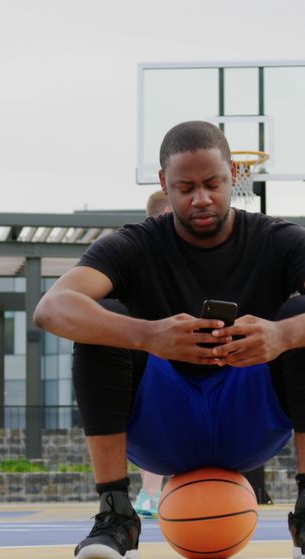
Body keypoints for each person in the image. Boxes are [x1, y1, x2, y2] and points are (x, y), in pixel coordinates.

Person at [34, 120, 305, 559]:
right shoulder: (135, 245)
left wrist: (281, 335)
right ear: (164, 184)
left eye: (213, 184)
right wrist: (148, 334)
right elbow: (52, 307)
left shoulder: (278, 240)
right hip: (164, 425)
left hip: (247, 419)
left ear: (234, 174)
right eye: (186, 187)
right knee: (103, 322)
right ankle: (116, 515)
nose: (201, 199)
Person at [132, 190, 171, 519]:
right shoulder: (141, 251)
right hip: (154, 353)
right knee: (155, 420)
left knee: (156, 422)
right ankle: (150, 493)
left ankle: (149, 493)